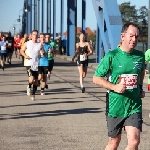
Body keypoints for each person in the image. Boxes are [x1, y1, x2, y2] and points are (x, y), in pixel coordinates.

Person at [93, 22, 145, 150]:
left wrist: (140, 87)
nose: (134, 39)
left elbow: (141, 71)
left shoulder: (140, 56)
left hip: (134, 105)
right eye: (131, 36)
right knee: (114, 143)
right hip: (115, 106)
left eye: (137, 37)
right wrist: (114, 87)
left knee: (134, 142)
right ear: (123, 36)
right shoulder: (112, 56)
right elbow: (96, 78)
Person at [20, 30, 42, 101]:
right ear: (31, 35)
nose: (35, 36)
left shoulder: (39, 44)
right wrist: (25, 56)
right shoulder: (27, 43)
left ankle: (33, 94)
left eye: (36, 34)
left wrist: (43, 52)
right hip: (29, 64)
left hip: (36, 64)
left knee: (36, 80)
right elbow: (21, 50)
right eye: (34, 34)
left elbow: (42, 52)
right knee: (31, 79)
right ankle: (29, 87)